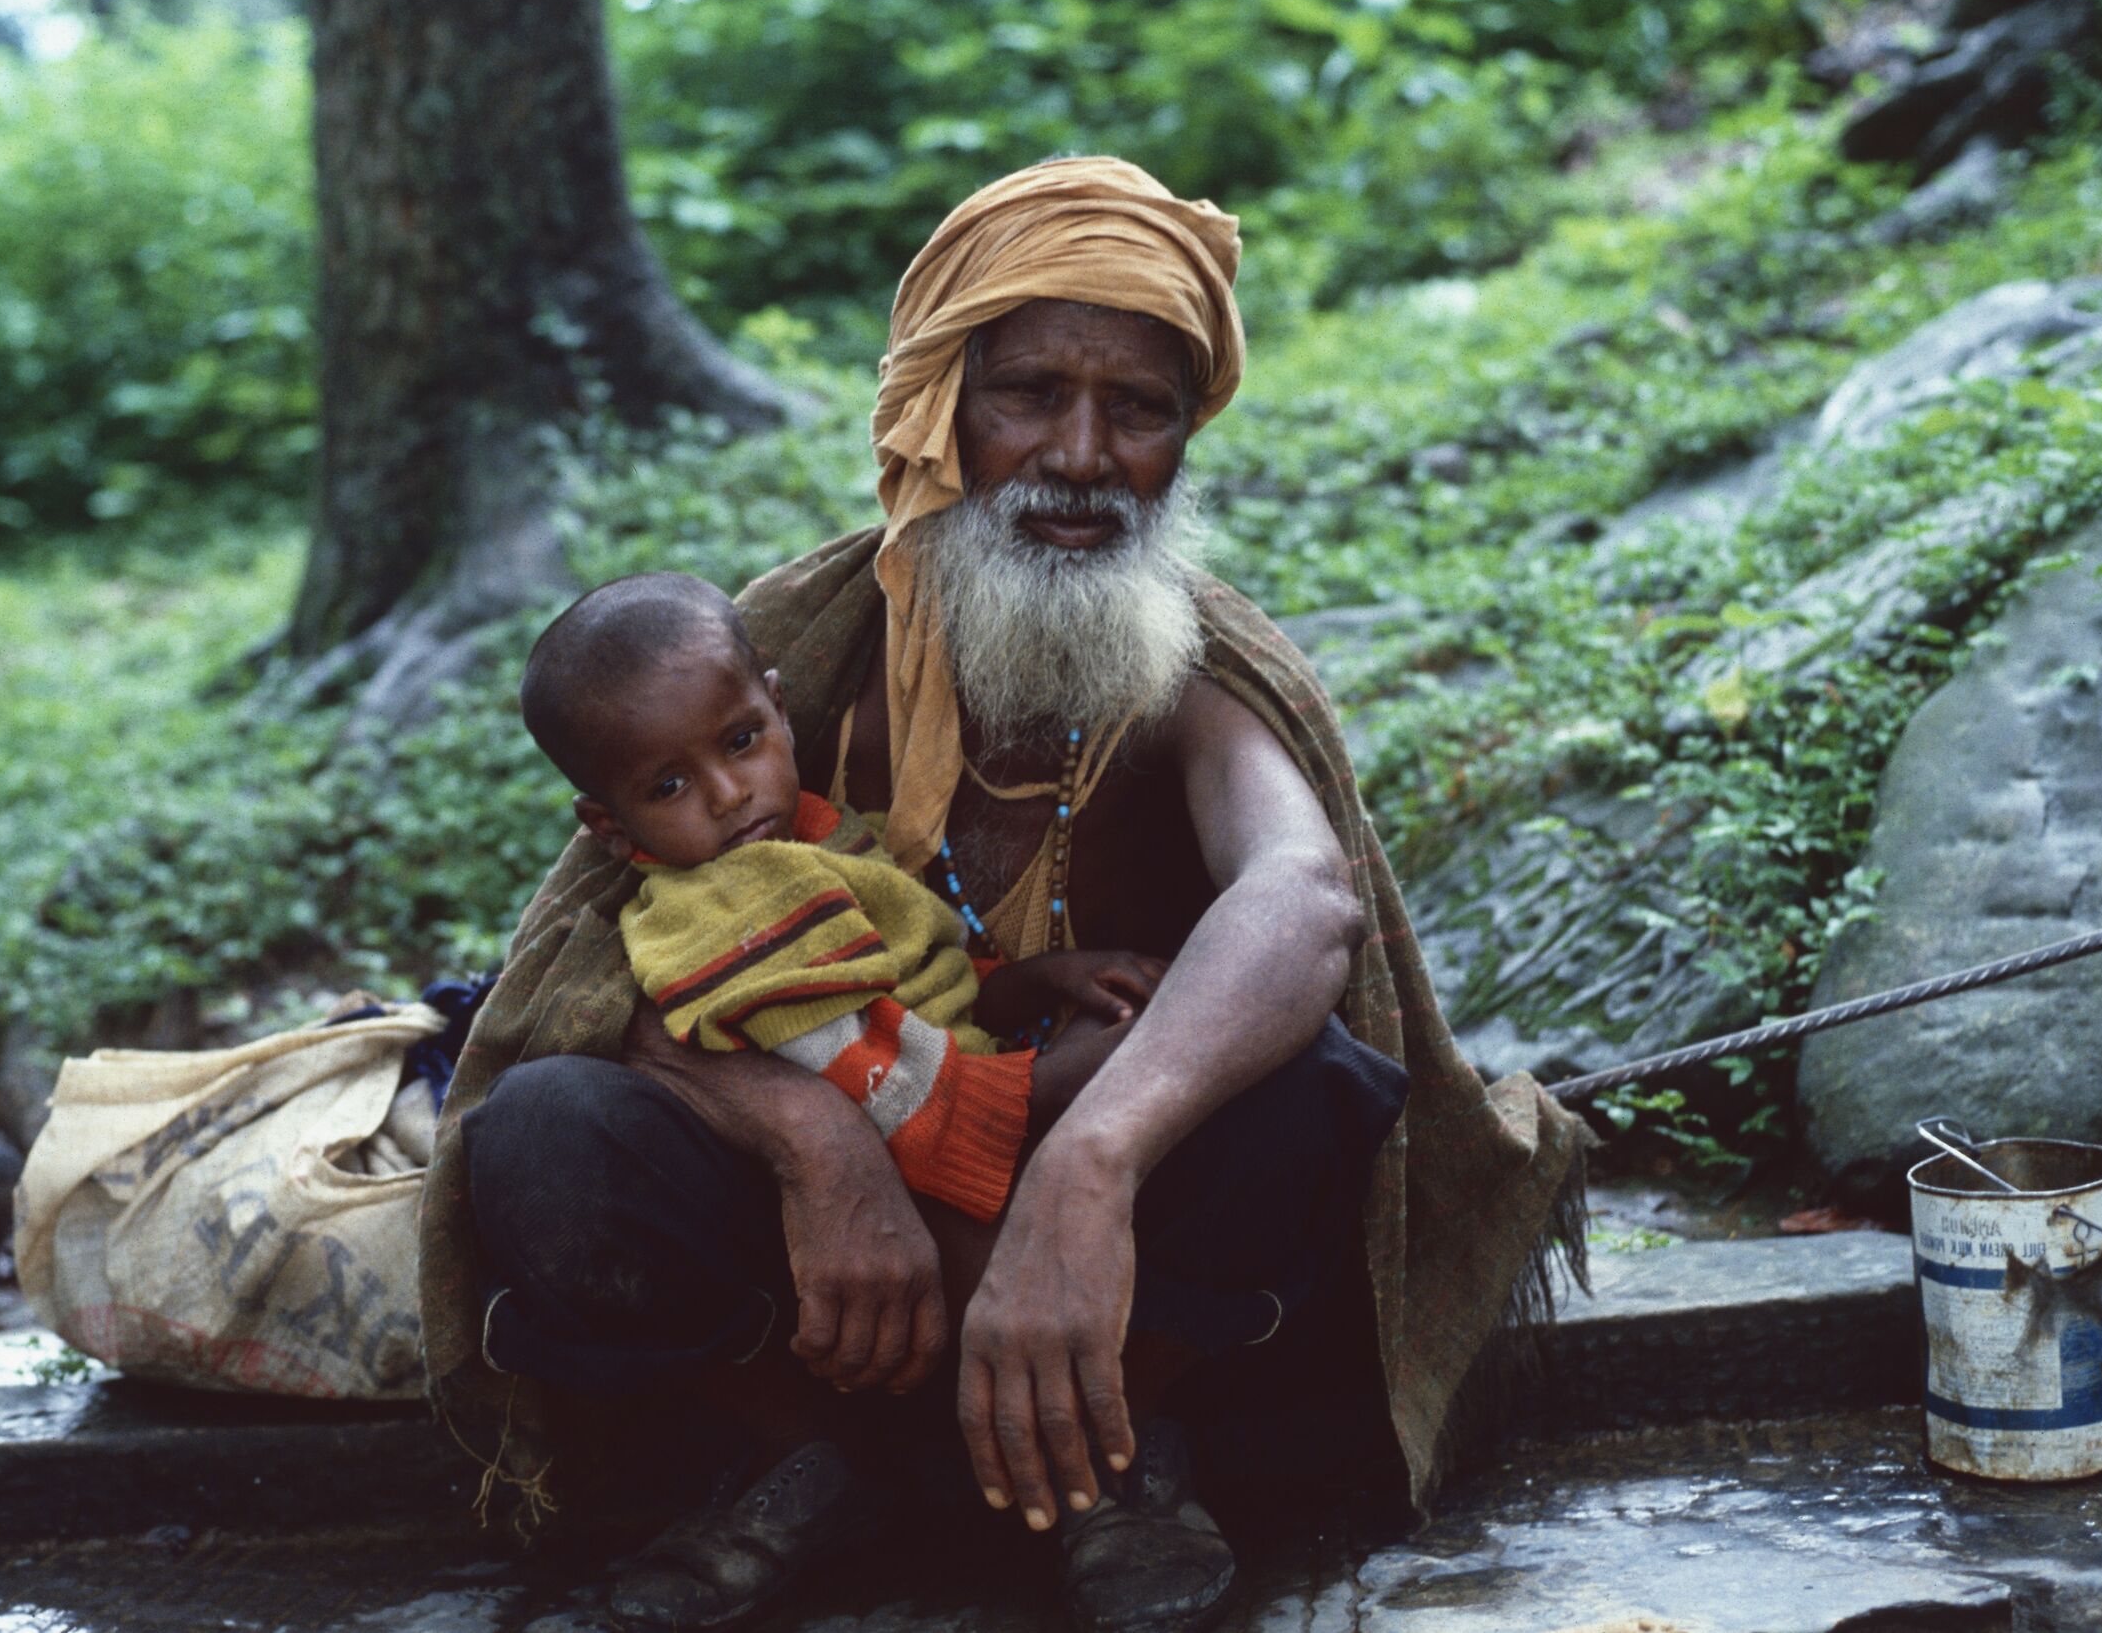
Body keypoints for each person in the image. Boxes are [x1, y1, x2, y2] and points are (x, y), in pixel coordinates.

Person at [418, 157, 1591, 1633]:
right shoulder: (774, 673)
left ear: (1185, 435)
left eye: (1141, 409)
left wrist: (1084, 1177)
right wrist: (816, 1151)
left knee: (1315, 1083)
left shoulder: (1203, 676)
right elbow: (595, 990)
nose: (1084, 454)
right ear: (938, 409)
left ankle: (1106, 1448)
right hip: (824, 1266)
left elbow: (1303, 899)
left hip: (1097, 1245)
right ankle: (807, 1456)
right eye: (1029, 392)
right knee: (548, 1130)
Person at [515, 570, 1165, 1225]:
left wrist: (1040, 978)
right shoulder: (712, 912)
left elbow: (918, 980)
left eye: (742, 742)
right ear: (609, 826)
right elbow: (854, 1072)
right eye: (669, 787)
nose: (728, 793)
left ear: (781, 712)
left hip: (962, 1094)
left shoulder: (820, 834)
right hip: (918, 1173)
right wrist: (1035, 1094)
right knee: (1160, 1037)